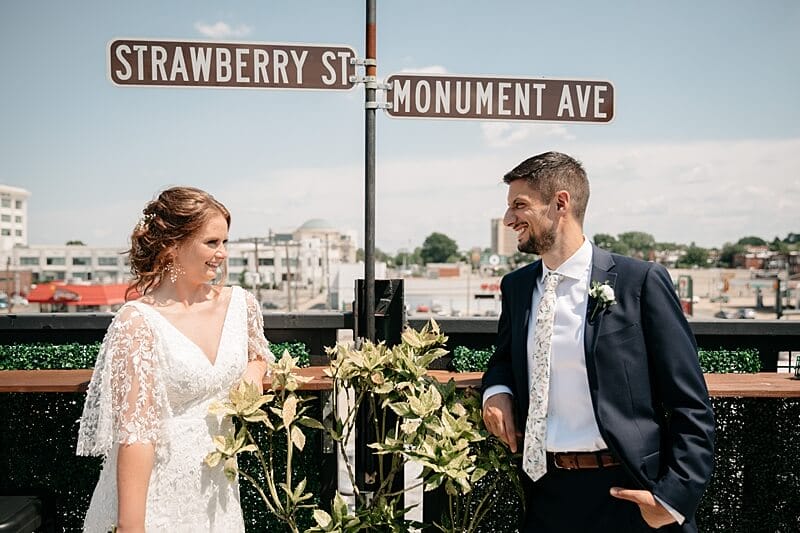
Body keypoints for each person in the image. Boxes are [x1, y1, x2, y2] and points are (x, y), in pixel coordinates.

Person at [481, 152, 715, 532]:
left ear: (561, 203)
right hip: (545, 494)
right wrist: (496, 390)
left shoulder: (640, 282)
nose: (509, 219)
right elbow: (505, 357)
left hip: (627, 494)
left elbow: (691, 403)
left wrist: (673, 499)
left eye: (519, 205)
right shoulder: (517, 287)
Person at [77, 187, 274, 532]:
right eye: (212, 243)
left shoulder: (241, 306)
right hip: (156, 500)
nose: (223, 254)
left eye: (225, 242)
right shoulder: (137, 322)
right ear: (172, 246)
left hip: (218, 495)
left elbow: (259, 355)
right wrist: (131, 527)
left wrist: (255, 371)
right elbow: (136, 435)